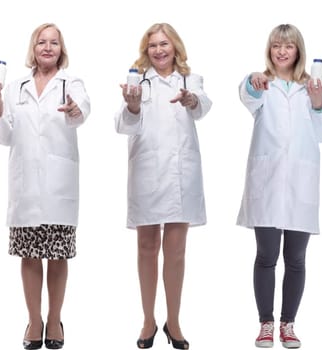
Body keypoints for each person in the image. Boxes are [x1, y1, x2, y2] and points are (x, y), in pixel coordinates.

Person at [0, 23, 89, 350]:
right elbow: (5, 136)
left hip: (59, 184)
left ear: (62, 49)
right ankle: (34, 320)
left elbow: (81, 112)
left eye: (54, 43)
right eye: (42, 42)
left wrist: (74, 109)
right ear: (33, 48)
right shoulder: (15, 87)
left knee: (58, 256)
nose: (47, 47)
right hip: (26, 184)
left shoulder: (71, 83)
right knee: (29, 256)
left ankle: (55, 319)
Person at [236, 24, 322, 350]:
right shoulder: (261, 83)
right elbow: (246, 95)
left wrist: (319, 102)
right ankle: (266, 323)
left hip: (300, 183)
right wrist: (253, 82)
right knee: (266, 256)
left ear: (298, 51)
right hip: (267, 183)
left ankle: (288, 325)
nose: (282, 51)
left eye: (289, 46)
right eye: (277, 45)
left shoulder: (313, 86)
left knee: (296, 258)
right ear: (269, 49)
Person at [114, 22, 212, 350]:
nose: (159, 50)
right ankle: (147, 320)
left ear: (175, 47)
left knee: (176, 250)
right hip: (146, 172)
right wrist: (132, 106)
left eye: (164, 44)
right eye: (153, 45)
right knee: (146, 248)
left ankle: (174, 320)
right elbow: (123, 126)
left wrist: (190, 100)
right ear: (146, 49)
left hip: (180, 174)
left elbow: (202, 106)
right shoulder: (138, 82)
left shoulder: (190, 80)